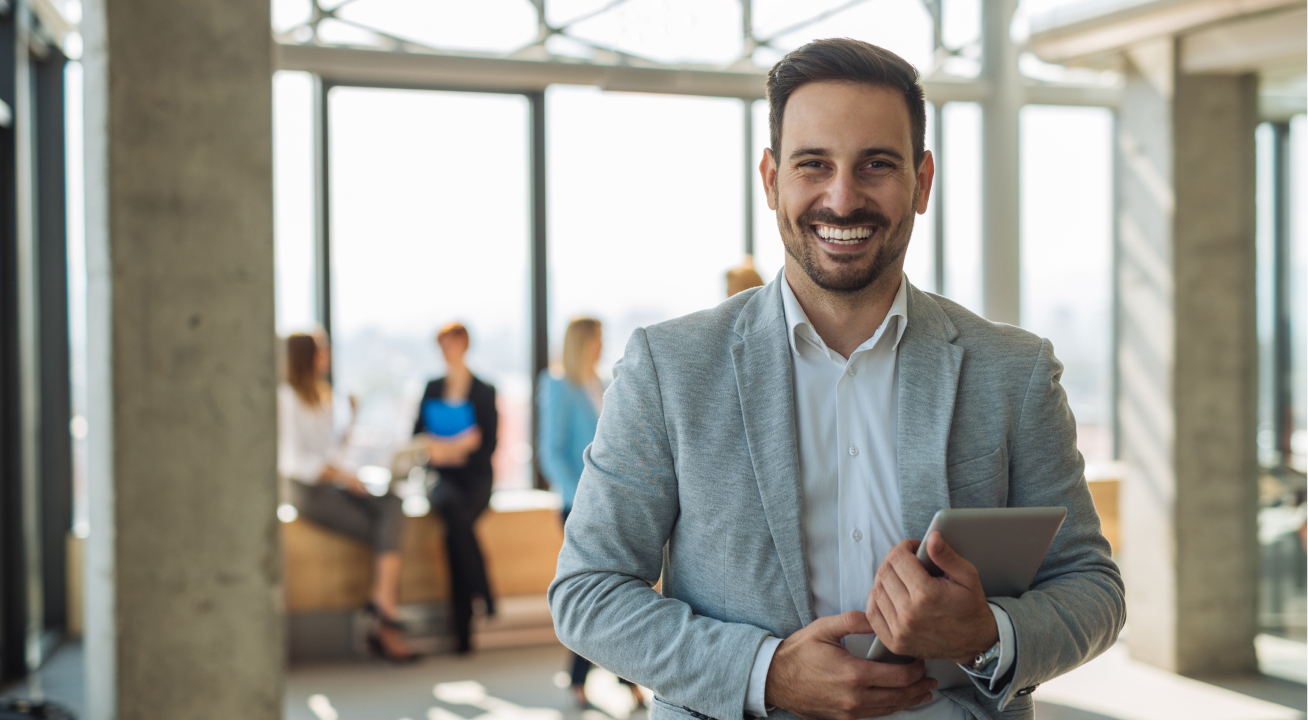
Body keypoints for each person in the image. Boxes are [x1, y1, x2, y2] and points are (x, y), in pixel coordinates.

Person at [549, 38, 1124, 720]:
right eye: (813, 164)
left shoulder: (1013, 371)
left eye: (876, 164)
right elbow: (588, 591)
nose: (843, 198)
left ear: (923, 181)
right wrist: (764, 675)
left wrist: (983, 633)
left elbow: (1092, 589)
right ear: (770, 179)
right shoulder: (668, 368)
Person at [278, 331, 418, 663]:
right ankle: (385, 616)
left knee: (392, 504)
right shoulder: (286, 398)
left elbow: (333, 451)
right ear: (306, 355)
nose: (327, 355)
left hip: (332, 483)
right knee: (386, 533)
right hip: (306, 491)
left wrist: (351, 420)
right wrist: (343, 476)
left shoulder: (322, 396)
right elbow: (294, 461)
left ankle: (380, 604)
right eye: (321, 349)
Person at [537, 318, 647, 710]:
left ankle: (599, 680)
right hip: (576, 503)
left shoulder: (599, 383)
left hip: (611, 499)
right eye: (597, 339)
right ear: (582, 342)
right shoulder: (557, 384)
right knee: (600, 588)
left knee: (611, 588)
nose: (602, 345)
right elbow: (550, 451)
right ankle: (619, 681)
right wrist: (579, 497)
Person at [413, 322, 497, 654]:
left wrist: (448, 446)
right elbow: (418, 438)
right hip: (441, 478)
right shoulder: (432, 387)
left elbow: (487, 444)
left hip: (475, 479)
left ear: (464, 344)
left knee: (455, 529)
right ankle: (482, 593)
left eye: (453, 342)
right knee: (452, 511)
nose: (448, 349)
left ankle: (462, 627)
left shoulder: (484, 390)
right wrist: (457, 446)